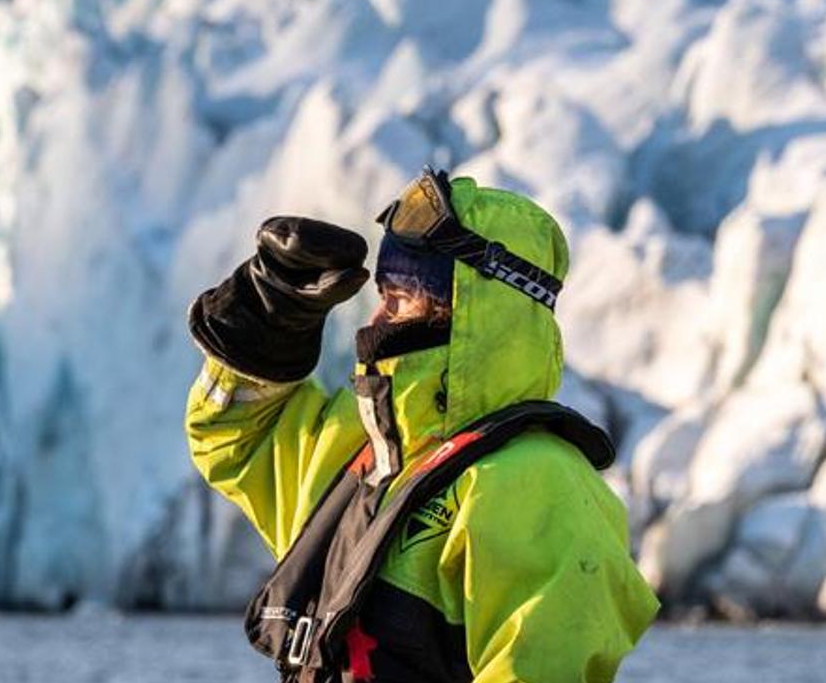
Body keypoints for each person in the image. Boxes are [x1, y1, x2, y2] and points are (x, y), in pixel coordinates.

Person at [184, 168, 659, 683]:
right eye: (380, 296)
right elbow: (231, 438)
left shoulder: (537, 483)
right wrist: (269, 317)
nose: (375, 321)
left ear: (467, 311)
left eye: (401, 299)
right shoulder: (368, 457)